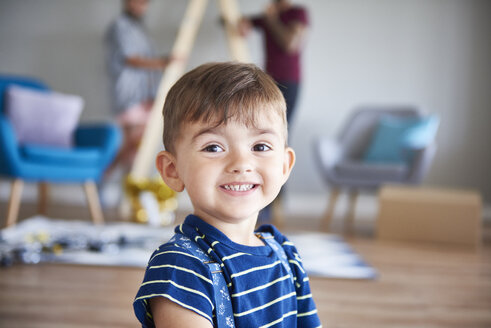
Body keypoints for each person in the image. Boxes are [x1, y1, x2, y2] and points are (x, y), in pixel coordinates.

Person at [133, 62, 321, 327]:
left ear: (283, 166)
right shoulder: (180, 266)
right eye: (213, 147)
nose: (241, 163)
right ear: (173, 170)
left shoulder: (287, 256)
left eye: (260, 145)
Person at [239, 0, 309, 223]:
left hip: (290, 82)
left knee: (279, 140)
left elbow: (290, 44)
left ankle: (274, 198)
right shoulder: (266, 16)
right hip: (267, 84)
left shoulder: (298, 13)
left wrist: (270, 19)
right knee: (261, 138)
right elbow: (237, 24)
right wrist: (241, 23)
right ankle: (263, 197)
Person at [105, 0, 173, 172]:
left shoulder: (139, 28)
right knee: (131, 143)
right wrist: (163, 62)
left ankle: (130, 187)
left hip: (146, 95)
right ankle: (103, 176)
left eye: (145, 3)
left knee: (137, 147)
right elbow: (131, 59)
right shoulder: (120, 26)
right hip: (130, 95)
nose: (143, 7)